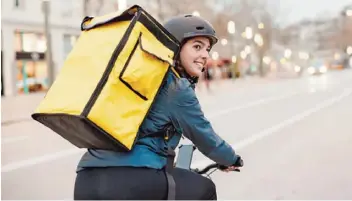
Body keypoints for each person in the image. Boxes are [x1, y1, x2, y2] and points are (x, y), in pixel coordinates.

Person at [73, 14, 243, 200]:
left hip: (86, 179)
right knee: (205, 189)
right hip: (130, 181)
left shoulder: (132, 79)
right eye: (197, 47)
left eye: (207, 49)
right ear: (175, 48)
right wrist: (231, 159)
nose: (205, 55)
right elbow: (204, 136)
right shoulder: (175, 87)